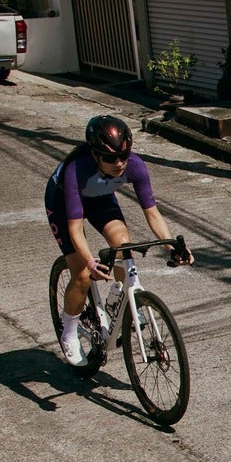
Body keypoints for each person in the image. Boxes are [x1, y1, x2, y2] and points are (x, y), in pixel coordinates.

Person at [46, 115, 191, 368]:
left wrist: (172, 247)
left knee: (124, 245)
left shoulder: (135, 165)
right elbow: (75, 229)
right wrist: (90, 263)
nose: (120, 163)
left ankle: (120, 297)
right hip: (62, 204)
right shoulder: (75, 171)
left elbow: (152, 214)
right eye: (111, 158)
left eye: (124, 156)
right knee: (81, 274)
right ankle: (68, 332)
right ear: (94, 154)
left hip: (100, 197)